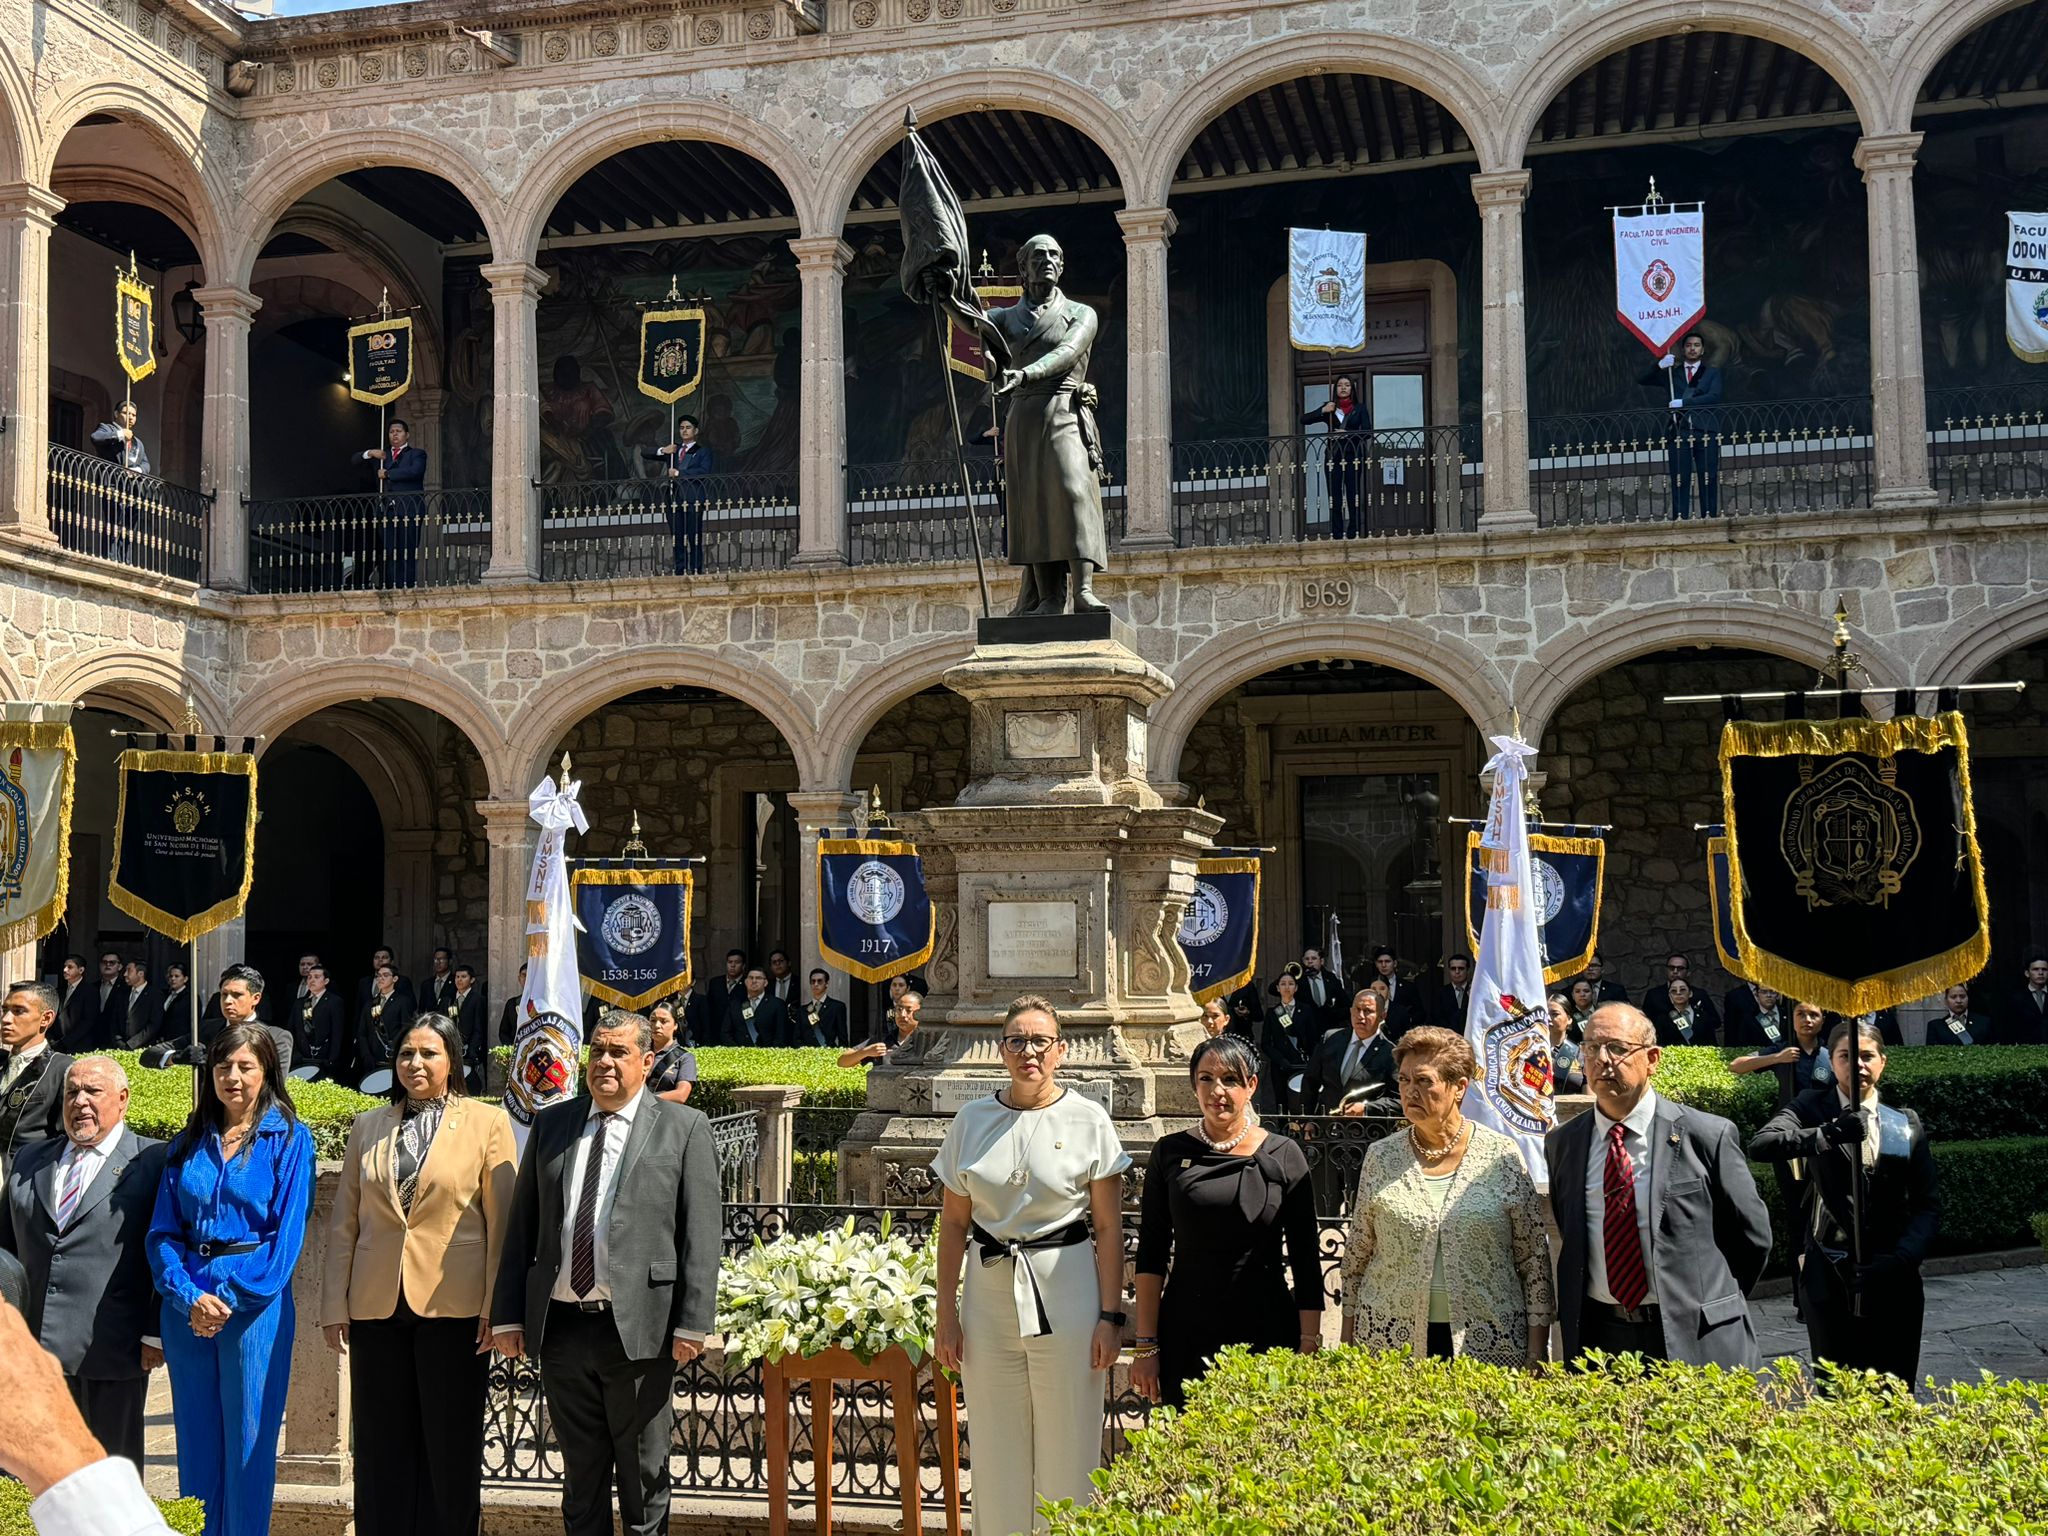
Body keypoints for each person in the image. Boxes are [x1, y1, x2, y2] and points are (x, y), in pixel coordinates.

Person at [490, 1013, 721, 1536]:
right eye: (597, 1051)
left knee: (644, 1480)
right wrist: (507, 1314)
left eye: (618, 1053)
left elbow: (702, 1232)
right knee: (580, 1481)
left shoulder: (684, 1128)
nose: (605, 1063)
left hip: (641, 1329)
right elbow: (523, 1228)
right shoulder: (554, 1124)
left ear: (647, 1061)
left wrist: (693, 1322)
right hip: (564, 1329)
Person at [932, 997, 1130, 1535]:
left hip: (1064, 1292)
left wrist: (1111, 1317)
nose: (1029, 1052)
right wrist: (945, 1316)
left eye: (1040, 1041)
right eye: (1017, 1040)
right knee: (996, 1443)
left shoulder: (1089, 1119)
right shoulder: (972, 1120)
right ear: (1001, 1051)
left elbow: (1109, 1228)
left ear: (1061, 1051)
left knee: (1070, 1439)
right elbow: (953, 1224)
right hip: (988, 1296)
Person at [324, 1016, 515, 1536]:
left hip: (454, 1307)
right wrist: (334, 1305)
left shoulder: (486, 1123)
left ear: (452, 1060)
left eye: (429, 1053)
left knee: (448, 1449)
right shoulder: (369, 1125)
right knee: (381, 1447)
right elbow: (345, 1220)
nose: (415, 1063)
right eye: (407, 1053)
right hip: (376, 1305)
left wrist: (495, 1307)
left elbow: (502, 1224)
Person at [147, 1022, 316, 1536]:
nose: (233, 1077)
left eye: (245, 1066)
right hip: (187, 1308)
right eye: (223, 1067)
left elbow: (285, 1238)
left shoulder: (289, 1138)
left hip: (253, 1311)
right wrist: (186, 1294)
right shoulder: (188, 1142)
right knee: (195, 1443)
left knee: (248, 1446)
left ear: (267, 1072)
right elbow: (161, 1232)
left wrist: (229, 1297)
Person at [1545, 1004, 1772, 1367]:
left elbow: (1752, 1238)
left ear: (1652, 1059)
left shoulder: (1706, 1135)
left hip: (1698, 1337)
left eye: (1618, 1048)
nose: (1603, 1059)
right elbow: (1570, 1229)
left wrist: (1712, 1300)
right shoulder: (1564, 1144)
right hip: (1602, 1340)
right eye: (1590, 1047)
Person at [1339, 1026, 1553, 1366]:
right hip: (1388, 1342)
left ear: (1458, 1088)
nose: (1411, 1091)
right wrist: (1347, 1351)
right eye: (1405, 1081)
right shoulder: (1381, 1157)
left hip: (1487, 1342)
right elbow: (1356, 1261)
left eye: (1424, 1081)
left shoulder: (1501, 1156)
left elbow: (1534, 1263)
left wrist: (1536, 1354)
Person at [1132, 1035, 1320, 1409]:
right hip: (1187, 1328)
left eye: (1230, 1079)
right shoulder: (1168, 1153)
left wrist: (1309, 1341)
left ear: (1251, 1085)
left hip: (1267, 1327)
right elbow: (1151, 1254)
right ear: (1193, 1085)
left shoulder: (1285, 1155)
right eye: (1206, 1079)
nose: (1217, 1090)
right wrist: (1144, 1346)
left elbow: (1306, 1258)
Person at [1749, 1020, 1940, 1383]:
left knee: (1894, 1390)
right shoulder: (1811, 1105)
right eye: (1846, 1056)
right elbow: (1762, 1144)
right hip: (1830, 1272)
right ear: (1832, 1061)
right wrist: (1827, 1134)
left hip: (1892, 1275)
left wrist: (1902, 1258)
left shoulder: (1905, 1123)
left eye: (1867, 1056)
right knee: (1837, 1392)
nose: (1858, 1065)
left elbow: (1927, 1205)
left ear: (1883, 1061)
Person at [0, 1057, 168, 1468]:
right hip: (32, 1352)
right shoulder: (31, 1160)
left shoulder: (152, 1161)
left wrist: (153, 1332)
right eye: (72, 1091)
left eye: (93, 1091)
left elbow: (165, 1252)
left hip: (111, 1350)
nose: (80, 1102)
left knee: (110, 1481)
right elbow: (5, 1246)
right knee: (32, 1481)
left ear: (123, 1099)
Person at [980, 235, 1110, 618]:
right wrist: (945, 289)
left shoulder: (1081, 313)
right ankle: (1050, 597)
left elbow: (1067, 352)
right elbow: (971, 323)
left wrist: (1023, 374)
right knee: (1032, 505)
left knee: (1073, 493)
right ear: (1023, 268)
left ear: (1063, 265)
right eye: (1038, 256)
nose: (1048, 261)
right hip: (1023, 416)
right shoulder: (1004, 317)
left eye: (1055, 254)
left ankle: (1083, 590)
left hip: (1064, 408)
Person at [1646, 331, 1723, 519]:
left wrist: (1684, 403)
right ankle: (1680, 515)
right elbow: (1643, 379)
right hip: (1679, 430)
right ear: (1683, 349)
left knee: (1708, 476)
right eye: (1689, 345)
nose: (1692, 348)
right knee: (1680, 478)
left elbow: (1714, 397)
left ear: (1702, 350)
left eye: (1696, 345)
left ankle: (1709, 515)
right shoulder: (1673, 374)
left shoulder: (1711, 373)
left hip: (1705, 429)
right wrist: (1659, 366)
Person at [3, 983, 72, 1175]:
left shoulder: (62, 1069)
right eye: (5, 1010)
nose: (6, 1019)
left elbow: (67, 1140)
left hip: (24, 1182)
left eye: (19, 1011)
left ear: (46, 1018)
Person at [358, 419, 428, 589]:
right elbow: (354, 460)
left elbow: (415, 471)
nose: (394, 434)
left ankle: (406, 584)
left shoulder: (417, 454)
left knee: (407, 549)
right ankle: (391, 586)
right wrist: (369, 453)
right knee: (389, 551)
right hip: (387, 510)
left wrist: (388, 474)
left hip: (409, 509)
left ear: (407, 435)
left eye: (398, 431)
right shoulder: (383, 456)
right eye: (391, 432)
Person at [642, 414, 715, 576]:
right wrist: (663, 450)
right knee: (677, 536)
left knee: (693, 535)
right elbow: (645, 453)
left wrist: (679, 473)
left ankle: (696, 568)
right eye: (682, 428)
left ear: (696, 431)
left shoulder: (702, 452)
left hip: (693, 498)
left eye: (688, 427)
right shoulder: (674, 450)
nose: (685, 430)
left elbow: (703, 472)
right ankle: (680, 568)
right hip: (674, 498)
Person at [1729, 998, 1834, 1105]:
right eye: (1801, 1014)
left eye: (1813, 1015)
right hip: (1789, 1116)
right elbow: (1735, 1066)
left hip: (1825, 1116)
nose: (1807, 1020)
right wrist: (1777, 1058)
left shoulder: (1832, 1052)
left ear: (1822, 1021)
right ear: (1792, 1018)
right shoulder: (1782, 1049)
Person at [1302, 375, 1370, 539]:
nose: (1343, 388)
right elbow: (1303, 419)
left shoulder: (1359, 408)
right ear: (1335, 389)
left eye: (1347, 385)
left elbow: (1367, 432)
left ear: (1352, 389)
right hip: (1333, 457)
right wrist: (1322, 410)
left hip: (1353, 456)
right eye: (1340, 385)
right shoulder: (1330, 408)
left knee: (1353, 494)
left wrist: (1347, 434)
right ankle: (1338, 533)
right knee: (1335, 496)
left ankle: (1354, 531)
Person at [1305, 990, 1393, 1115]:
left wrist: (1367, 1108)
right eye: (1357, 1009)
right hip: (1326, 1126)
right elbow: (1310, 1081)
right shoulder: (1331, 1039)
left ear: (1382, 1016)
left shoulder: (1390, 1053)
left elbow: (1398, 1099)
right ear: (1351, 1011)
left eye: (1368, 1011)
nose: (1360, 1016)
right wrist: (1306, 1120)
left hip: (1365, 1130)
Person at [1259, 973, 1311, 1115]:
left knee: (1302, 1101)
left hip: (1301, 1063)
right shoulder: (1273, 1012)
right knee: (1281, 1102)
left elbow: (1313, 1038)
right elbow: (1266, 1043)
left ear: (1296, 988)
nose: (1287, 987)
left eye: (1290, 983)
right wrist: (1280, 1059)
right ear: (1277, 988)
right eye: (1283, 984)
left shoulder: (1307, 1010)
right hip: (1281, 1065)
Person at [356, 963, 413, 1080]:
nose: (381, 978)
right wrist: (366, 1055)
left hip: (391, 1057)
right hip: (371, 1059)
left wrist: (396, 1052)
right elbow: (362, 1032)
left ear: (395, 979)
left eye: (385, 975)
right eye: (378, 976)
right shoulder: (369, 1004)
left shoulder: (403, 1001)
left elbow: (406, 1030)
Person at [839, 989, 921, 1069]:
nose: (902, 1014)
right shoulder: (884, 1040)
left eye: (908, 1010)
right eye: (899, 1009)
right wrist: (866, 1052)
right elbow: (842, 1062)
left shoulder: (926, 1041)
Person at [300, 965, 348, 1082]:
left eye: (316, 977)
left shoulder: (334, 1001)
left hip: (325, 1057)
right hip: (303, 1057)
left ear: (326, 981)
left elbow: (337, 1032)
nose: (312, 980)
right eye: (310, 977)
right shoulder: (300, 1003)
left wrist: (332, 1058)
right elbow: (293, 1029)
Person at [646, 1001, 697, 1104]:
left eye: (664, 1021)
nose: (657, 1025)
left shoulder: (685, 1058)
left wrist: (645, 1100)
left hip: (665, 1114)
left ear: (675, 1025)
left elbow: (681, 1095)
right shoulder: (639, 1052)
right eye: (653, 1020)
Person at [724, 966, 787, 1048]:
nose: (754, 981)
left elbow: (781, 1035)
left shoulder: (777, 1004)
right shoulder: (735, 1004)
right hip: (739, 1056)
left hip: (767, 1056)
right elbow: (725, 1033)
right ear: (746, 982)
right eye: (750, 978)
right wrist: (737, 1052)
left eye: (758, 978)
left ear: (765, 983)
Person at [1367, 947, 1422, 1039]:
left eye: (1387, 961)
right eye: (1380, 962)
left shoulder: (1408, 987)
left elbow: (1420, 1012)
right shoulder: (1369, 986)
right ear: (1376, 964)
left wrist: (1406, 1019)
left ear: (1395, 963)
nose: (1383, 965)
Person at [697, 950, 748, 1046]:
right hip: (716, 1034)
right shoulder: (715, 982)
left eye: (737, 962)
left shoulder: (748, 983)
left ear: (743, 966)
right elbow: (709, 1008)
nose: (732, 965)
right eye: (730, 962)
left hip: (738, 1036)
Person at [448, 964, 487, 1089]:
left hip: (469, 1046)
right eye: (457, 977)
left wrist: (473, 1048)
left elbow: (478, 1026)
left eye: (463, 977)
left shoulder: (478, 999)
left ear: (472, 980)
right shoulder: (449, 999)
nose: (459, 980)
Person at [1996, 952, 2048, 1045]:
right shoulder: (2015, 999)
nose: (2040, 973)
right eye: (2035, 969)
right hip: (2026, 1052)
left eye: (2044, 969)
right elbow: (2008, 1029)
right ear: (2027, 973)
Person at [92, 401, 151, 476]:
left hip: (130, 485)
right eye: (126, 413)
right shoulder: (107, 428)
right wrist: (120, 434)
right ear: (116, 414)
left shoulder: (138, 442)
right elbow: (96, 437)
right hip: (110, 480)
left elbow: (145, 463)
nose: (130, 417)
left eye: (133, 415)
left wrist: (137, 470)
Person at [115, 960, 161, 1051]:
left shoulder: (155, 994)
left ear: (140, 974)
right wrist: (118, 1041)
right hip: (120, 1047)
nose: (125, 974)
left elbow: (154, 1024)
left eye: (129, 971)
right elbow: (114, 1019)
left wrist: (132, 1044)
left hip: (143, 1048)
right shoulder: (122, 993)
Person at [1655, 978, 1714, 1047]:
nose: (1678, 993)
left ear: (1690, 993)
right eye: (1673, 991)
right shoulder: (1663, 1019)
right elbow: (1660, 1045)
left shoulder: (1704, 1016)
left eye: (1682, 989)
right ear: (1669, 996)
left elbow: (1712, 1043)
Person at [1927, 982, 1991, 1045]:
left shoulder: (1983, 1022)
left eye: (1962, 996)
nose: (1958, 1001)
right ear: (1946, 1000)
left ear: (1968, 998)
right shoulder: (1936, 1026)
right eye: (1953, 997)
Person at [1547, 994, 1586, 1093]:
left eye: (1554, 1014)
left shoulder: (1581, 1053)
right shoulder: (1531, 1051)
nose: (1548, 1018)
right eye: (1545, 1014)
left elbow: (1589, 1096)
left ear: (1569, 1019)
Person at [799, 968, 847, 1048]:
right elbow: (797, 1038)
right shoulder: (802, 1010)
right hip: (807, 1056)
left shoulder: (837, 1007)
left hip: (829, 1054)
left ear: (827, 983)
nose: (816, 984)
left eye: (819, 981)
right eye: (813, 981)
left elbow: (843, 1038)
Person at [55, 957, 92, 1050]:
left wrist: (66, 1042)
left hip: (78, 1045)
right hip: (57, 1043)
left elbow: (88, 1021)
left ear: (81, 970)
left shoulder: (90, 991)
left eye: (70, 967)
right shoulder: (60, 990)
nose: (65, 970)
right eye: (64, 966)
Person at [1433, 952, 1474, 1032]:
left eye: (1461, 968)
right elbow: (1436, 1019)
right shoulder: (1441, 993)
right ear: (1449, 970)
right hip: (1447, 1039)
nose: (1457, 972)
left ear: (1468, 970)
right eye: (1453, 968)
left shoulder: (1474, 992)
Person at [499, 962, 528, 1047]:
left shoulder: (544, 1004)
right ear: (519, 978)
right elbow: (504, 1032)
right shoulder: (512, 1003)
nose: (526, 979)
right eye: (524, 975)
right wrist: (511, 1049)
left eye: (529, 975)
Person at [423, 949, 457, 1015]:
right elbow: (422, 1009)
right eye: (435, 959)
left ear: (450, 961)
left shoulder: (456, 981)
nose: (438, 962)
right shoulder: (426, 984)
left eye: (442, 959)